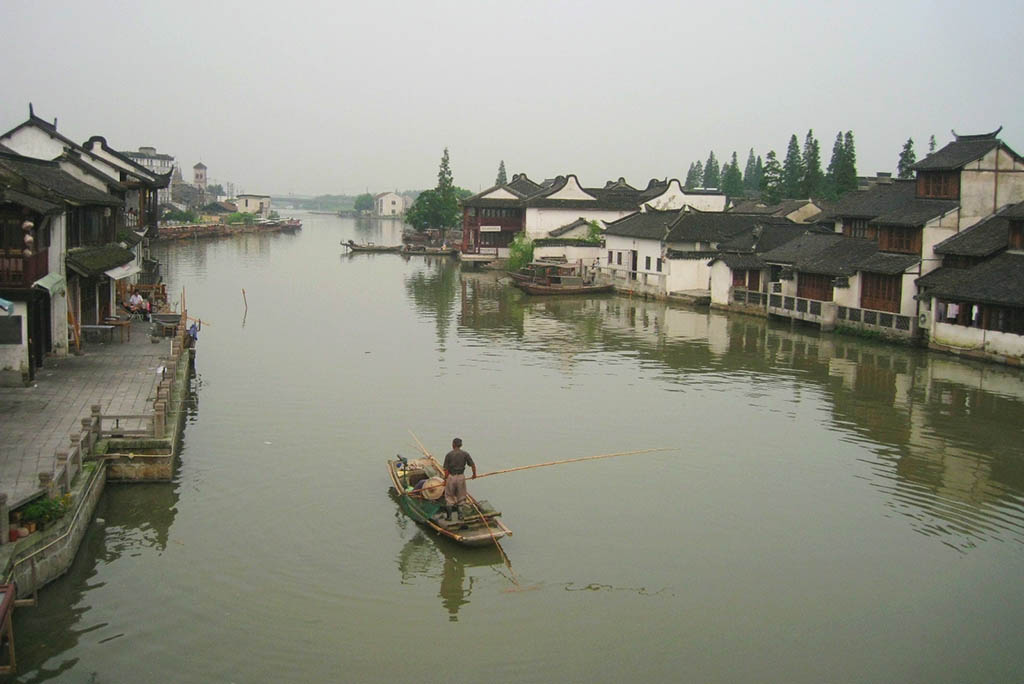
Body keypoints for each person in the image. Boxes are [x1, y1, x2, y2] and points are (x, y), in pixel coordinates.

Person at [442, 437, 477, 522]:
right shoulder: (465, 454)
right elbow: (472, 465)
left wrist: (445, 479)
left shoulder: (449, 455)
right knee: (461, 496)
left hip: (451, 477)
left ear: (453, 445)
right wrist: (474, 474)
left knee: (449, 497)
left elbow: (446, 470)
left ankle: (449, 517)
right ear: (461, 445)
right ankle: (460, 516)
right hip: (461, 477)